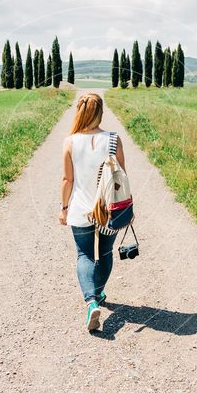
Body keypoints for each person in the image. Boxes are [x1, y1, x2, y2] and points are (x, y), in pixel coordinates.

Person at [59, 92, 127, 332]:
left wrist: (64, 209)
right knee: (106, 252)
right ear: (100, 113)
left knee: (84, 255)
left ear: (79, 112)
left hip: (80, 209)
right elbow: (121, 177)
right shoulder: (114, 139)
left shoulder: (70, 142)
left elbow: (68, 180)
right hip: (108, 209)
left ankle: (91, 303)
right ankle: (97, 293)